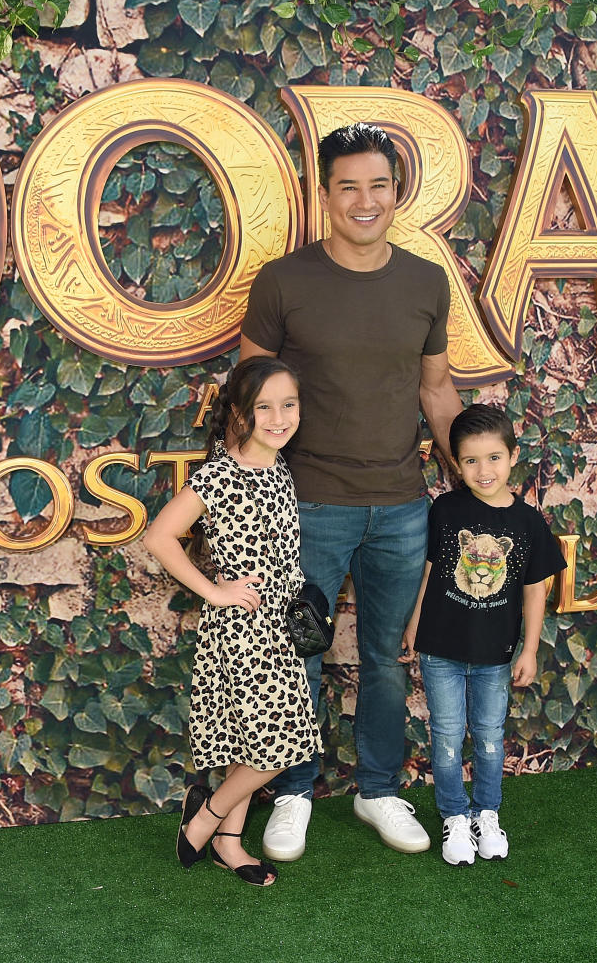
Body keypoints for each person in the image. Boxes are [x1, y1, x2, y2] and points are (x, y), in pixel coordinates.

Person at [240, 122, 464, 861]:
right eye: (348, 187)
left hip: (402, 505)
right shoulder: (284, 281)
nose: (364, 200)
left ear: (397, 191)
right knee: (297, 654)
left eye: (378, 185)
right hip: (308, 505)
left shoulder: (427, 281)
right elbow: (249, 393)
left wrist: (473, 486)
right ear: (325, 194)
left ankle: (378, 790)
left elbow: (436, 391)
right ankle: (293, 792)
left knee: (383, 661)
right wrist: (248, 490)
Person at [143, 356, 322, 887]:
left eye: (288, 404)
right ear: (240, 413)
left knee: (253, 741)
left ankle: (226, 841)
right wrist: (215, 592)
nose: (279, 417)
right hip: (246, 630)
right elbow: (159, 537)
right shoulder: (221, 476)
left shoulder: (279, 467)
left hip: (281, 626)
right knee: (281, 746)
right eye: (264, 407)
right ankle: (208, 814)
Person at [399, 403, 566, 866]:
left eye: (493, 457)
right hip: (441, 649)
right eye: (470, 460)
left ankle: (487, 813)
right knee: (448, 736)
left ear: (513, 456)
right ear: (456, 463)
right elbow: (432, 569)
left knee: (490, 736)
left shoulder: (529, 523)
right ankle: (455, 817)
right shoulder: (447, 509)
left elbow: (536, 591)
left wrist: (529, 649)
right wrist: (415, 623)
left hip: (495, 654)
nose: (483, 469)